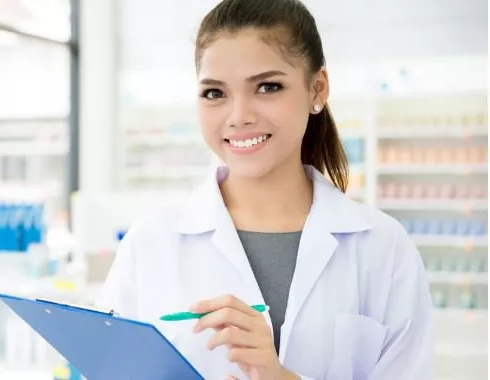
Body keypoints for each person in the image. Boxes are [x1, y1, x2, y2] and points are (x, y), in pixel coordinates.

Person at [96, 0, 434, 379]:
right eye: (214, 93)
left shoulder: (384, 248)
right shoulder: (150, 244)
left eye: (267, 87)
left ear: (317, 89)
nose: (239, 115)